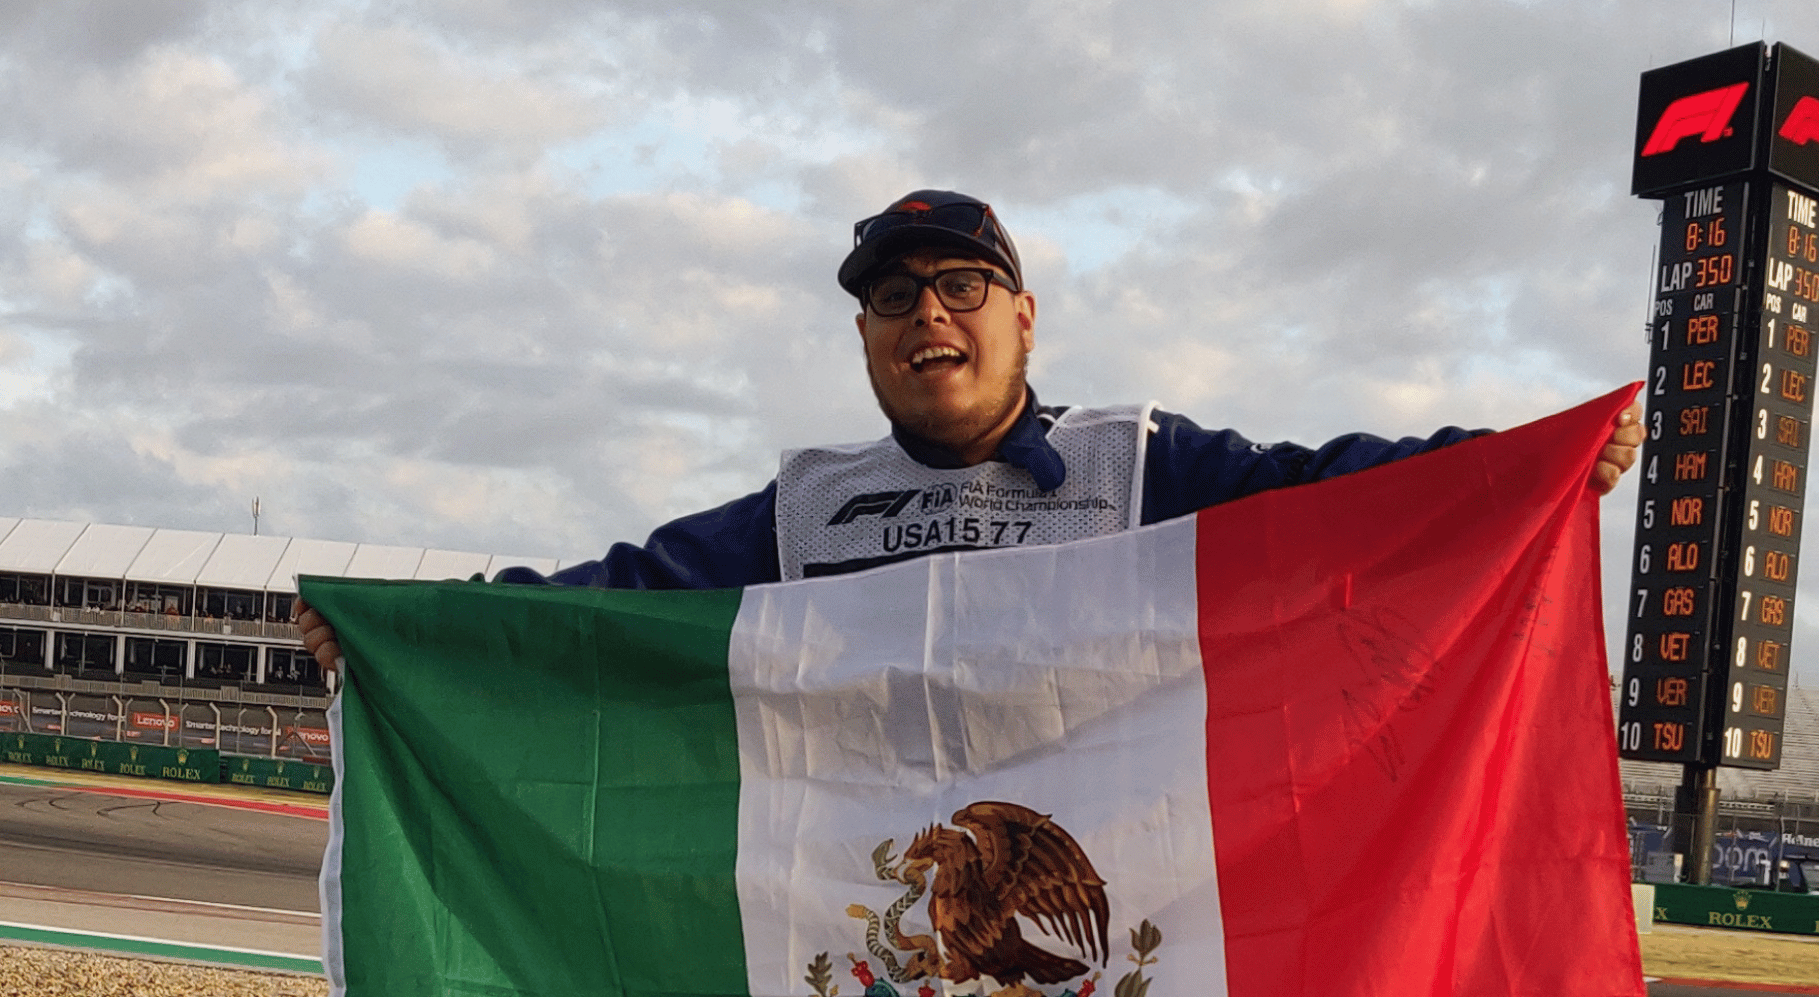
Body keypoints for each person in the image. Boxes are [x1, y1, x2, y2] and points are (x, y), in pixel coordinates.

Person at [297, 190, 1640, 669]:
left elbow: (1328, 500)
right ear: (868, 334)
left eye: (959, 286)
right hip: (865, 907)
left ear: (1023, 317)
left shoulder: (1141, 464)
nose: (926, 314)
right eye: (893, 296)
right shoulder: (806, 506)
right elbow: (622, 600)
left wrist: (1517, 469)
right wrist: (426, 628)